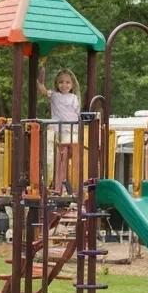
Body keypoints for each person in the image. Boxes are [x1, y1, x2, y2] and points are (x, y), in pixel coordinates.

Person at [37, 61, 81, 195]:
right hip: (58, 132)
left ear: (72, 84)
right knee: (58, 159)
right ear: (57, 84)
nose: (64, 85)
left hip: (71, 131)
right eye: (61, 82)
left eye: (67, 82)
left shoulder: (74, 98)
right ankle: (57, 185)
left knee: (70, 159)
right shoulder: (54, 95)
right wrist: (42, 68)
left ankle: (68, 184)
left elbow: (77, 114)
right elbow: (41, 87)